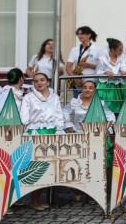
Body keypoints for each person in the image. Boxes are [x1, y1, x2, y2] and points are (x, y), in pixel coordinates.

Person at [20, 72, 65, 211]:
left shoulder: (54, 97)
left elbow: (58, 115)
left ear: (47, 82)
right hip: (35, 132)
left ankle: (46, 197)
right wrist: (25, 132)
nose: (39, 83)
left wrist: (59, 129)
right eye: (36, 81)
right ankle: (34, 199)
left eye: (42, 80)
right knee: (35, 166)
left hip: (51, 132)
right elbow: (24, 117)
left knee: (50, 166)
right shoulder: (28, 97)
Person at [65, 26, 101, 91]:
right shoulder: (74, 49)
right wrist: (75, 79)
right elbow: (68, 67)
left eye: (82, 34)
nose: (79, 36)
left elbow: (101, 67)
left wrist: (89, 65)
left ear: (89, 35)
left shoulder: (98, 50)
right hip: (77, 81)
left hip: (91, 81)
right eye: (78, 34)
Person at [96, 38, 125, 114]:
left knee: (116, 108)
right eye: (120, 50)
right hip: (105, 87)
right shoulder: (102, 58)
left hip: (116, 87)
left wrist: (123, 71)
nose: (122, 51)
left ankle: (114, 124)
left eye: (122, 49)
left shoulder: (121, 58)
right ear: (112, 49)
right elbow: (98, 72)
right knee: (104, 108)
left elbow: (124, 68)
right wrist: (106, 72)